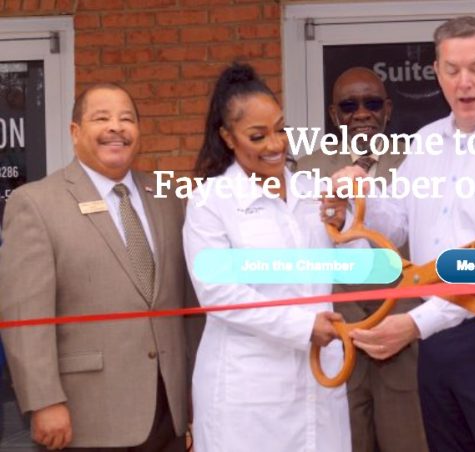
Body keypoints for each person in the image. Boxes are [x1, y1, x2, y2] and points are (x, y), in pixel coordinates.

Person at [330, 16, 475, 452]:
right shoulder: (424, 142)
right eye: (452, 70)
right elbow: (396, 221)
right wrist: (356, 202)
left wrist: (416, 323)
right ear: (436, 73)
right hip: (438, 337)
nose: (465, 82)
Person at [0, 83, 192, 450]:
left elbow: (183, 303)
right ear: (75, 132)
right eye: (101, 118)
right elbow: (24, 315)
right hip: (86, 415)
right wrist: (43, 400)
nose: (116, 128)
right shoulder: (37, 203)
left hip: (167, 414)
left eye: (126, 119)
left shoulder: (166, 199)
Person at [183, 62, 353, 452]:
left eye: (281, 129)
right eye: (258, 136)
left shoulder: (312, 191)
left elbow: (355, 264)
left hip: (320, 379)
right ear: (227, 137)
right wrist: (304, 326)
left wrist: (345, 223)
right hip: (247, 391)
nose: (276, 145)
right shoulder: (211, 202)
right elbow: (220, 294)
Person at [296, 67, 428, 452]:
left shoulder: (415, 164)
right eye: (349, 105)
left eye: (371, 103)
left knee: (409, 442)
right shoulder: (305, 171)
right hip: (338, 333)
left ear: (387, 109)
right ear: (334, 115)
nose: (361, 113)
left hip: (402, 329)